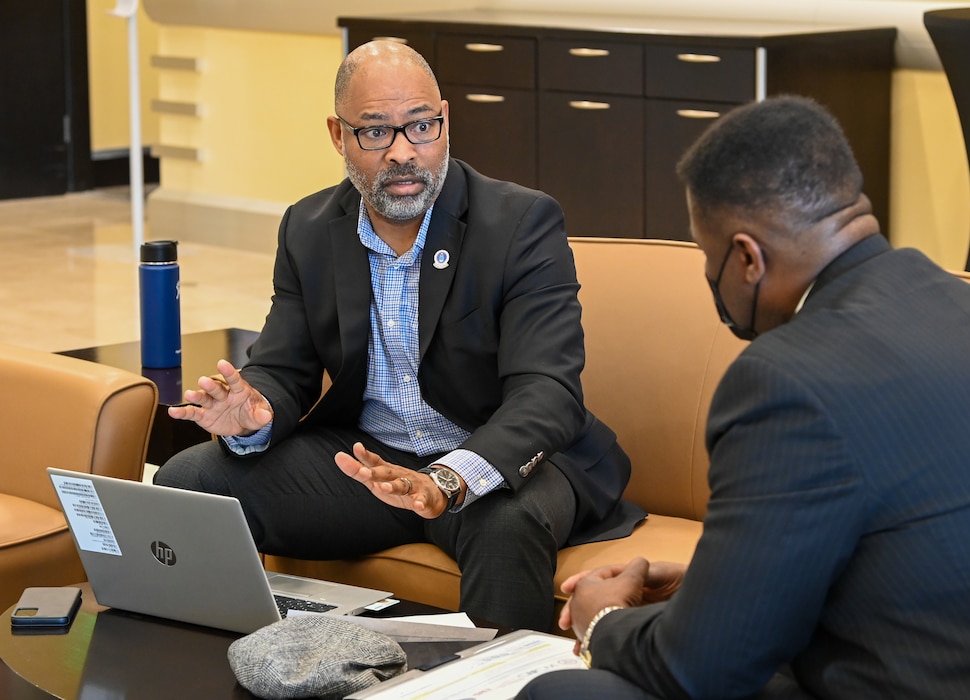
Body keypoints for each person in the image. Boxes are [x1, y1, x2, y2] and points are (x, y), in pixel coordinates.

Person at [517, 96, 970, 698]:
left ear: (746, 259)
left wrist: (603, 621)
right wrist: (717, 586)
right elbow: (926, 543)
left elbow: (702, 669)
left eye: (708, 260)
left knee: (566, 692)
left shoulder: (785, 378)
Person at [152, 40, 641, 632]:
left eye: (422, 127)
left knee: (505, 524)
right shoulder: (308, 227)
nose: (404, 153)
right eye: (376, 132)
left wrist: (447, 479)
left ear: (445, 120)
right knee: (190, 480)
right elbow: (283, 368)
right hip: (372, 466)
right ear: (338, 135)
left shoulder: (520, 223)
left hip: (491, 464)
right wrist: (254, 413)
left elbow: (548, 392)